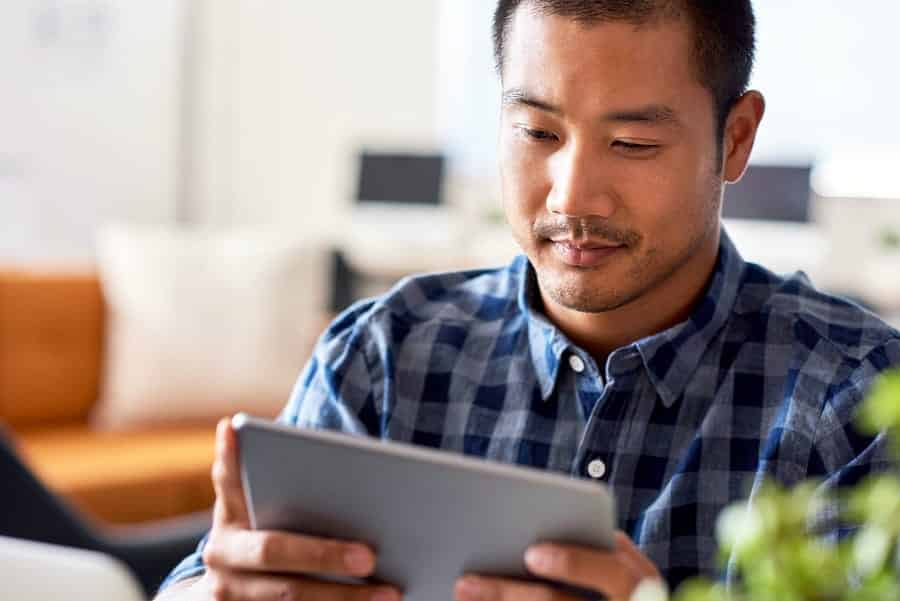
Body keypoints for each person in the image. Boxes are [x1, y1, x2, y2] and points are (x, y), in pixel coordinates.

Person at [156, 1, 900, 600]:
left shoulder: (858, 401)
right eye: (537, 130)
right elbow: (215, 576)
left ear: (735, 140)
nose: (572, 194)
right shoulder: (385, 354)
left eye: (633, 143)